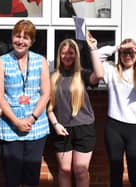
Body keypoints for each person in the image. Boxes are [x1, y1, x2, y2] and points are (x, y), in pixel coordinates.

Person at [0, 19, 50, 187]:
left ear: (31, 41)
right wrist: (17, 122)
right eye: (18, 36)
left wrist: (31, 119)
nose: (21, 41)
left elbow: (46, 94)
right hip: (10, 126)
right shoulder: (1, 62)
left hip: (36, 126)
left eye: (26, 38)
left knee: (32, 177)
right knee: (12, 177)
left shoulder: (41, 61)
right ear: (12, 37)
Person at [99, 39, 136, 187]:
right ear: (119, 54)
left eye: (132, 52)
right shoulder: (111, 71)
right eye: (124, 52)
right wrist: (117, 47)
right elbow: (97, 55)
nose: (128, 55)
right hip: (114, 127)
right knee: (115, 173)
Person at [47, 33, 104, 187]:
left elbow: (99, 75)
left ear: (76, 55)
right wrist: (55, 124)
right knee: (64, 170)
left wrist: (93, 49)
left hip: (84, 129)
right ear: (59, 55)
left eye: (71, 53)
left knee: (81, 171)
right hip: (61, 129)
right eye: (64, 53)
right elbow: (48, 107)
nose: (67, 56)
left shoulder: (82, 74)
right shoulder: (52, 77)